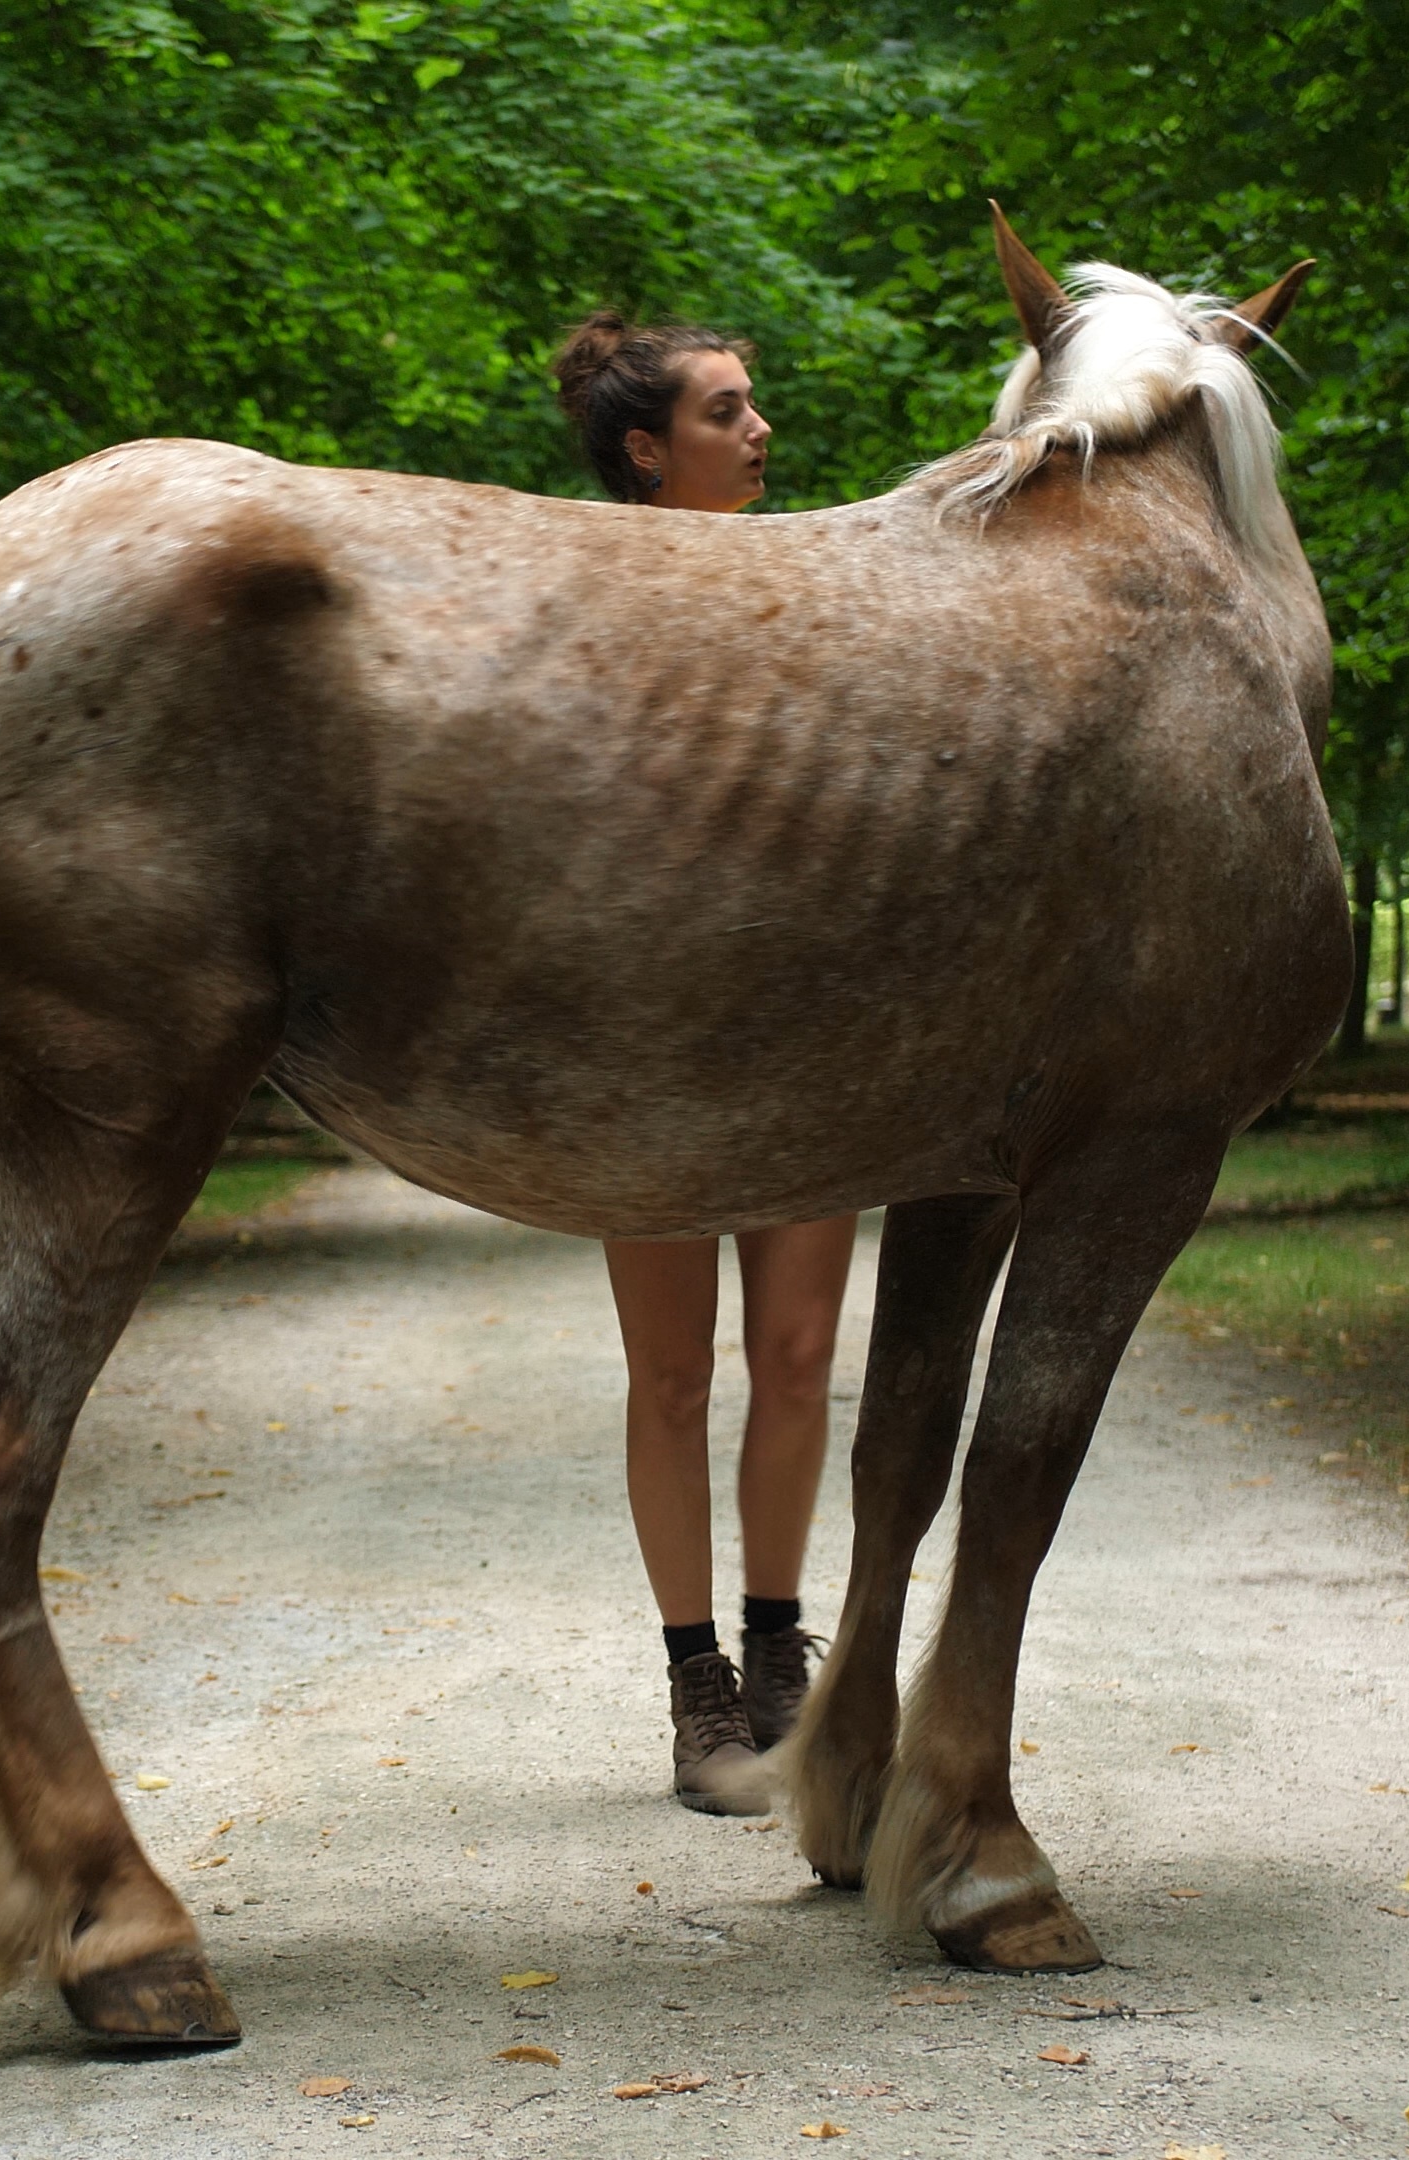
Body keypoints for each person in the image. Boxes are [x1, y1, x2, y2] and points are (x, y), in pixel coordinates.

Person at [550, 310, 861, 1815]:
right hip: (650, 1038)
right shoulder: (587, 599)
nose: (760, 431)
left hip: (806, 1025)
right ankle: (698, 1690)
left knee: (799, 1358)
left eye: (757, 406)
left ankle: (782, 1650)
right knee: (670, 1375)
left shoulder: (812, 584)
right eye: (727, 411)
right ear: (644, 449)